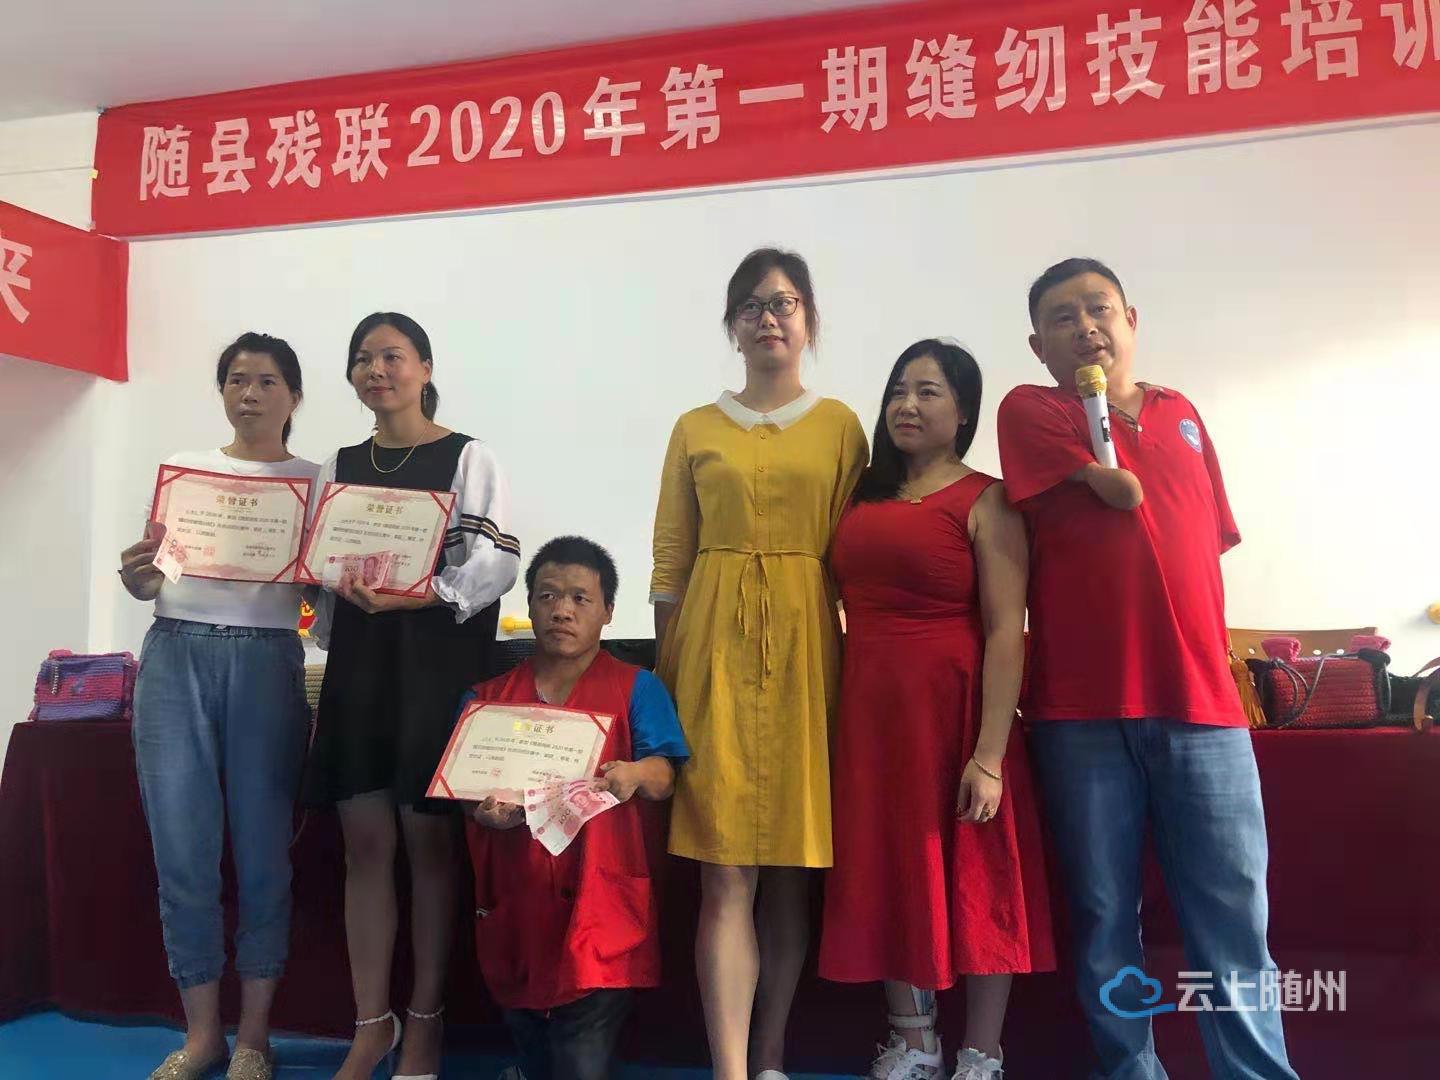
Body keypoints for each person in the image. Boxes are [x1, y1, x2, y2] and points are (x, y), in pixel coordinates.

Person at [996, 258, 1299, 1080]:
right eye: (1063, 318)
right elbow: (1117, 495)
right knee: (1104, 918)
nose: (1085, 327)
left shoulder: (1183, 414)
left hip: (1205, 707)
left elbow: (1204, 540)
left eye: (1099, 309)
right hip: (1080, 715)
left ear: (1131, 319)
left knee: (1234, 918)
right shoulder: (1032, 410)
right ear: (1038, 344)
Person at [651, 248, 868, 1080]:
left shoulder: (842, 426)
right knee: (725, 871)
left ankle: (771, 1053)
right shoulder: (695, 428)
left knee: (791, 871)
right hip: (712, 646)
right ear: (732, 327)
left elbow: (858, 556)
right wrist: (669, 680)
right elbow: (671, 563)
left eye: (784, 303)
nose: (768, 317)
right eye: (751, 305)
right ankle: (731, 1068)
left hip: (810, 651)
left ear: (809, 319)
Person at [819, 340, 1055, 1080]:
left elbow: (1005, 631)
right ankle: (913, 1040)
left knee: (979, 873)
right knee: (888, 863)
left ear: (963, 413)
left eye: (928, 392)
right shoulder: (858, 496)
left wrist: (989, 754)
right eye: (898, 390)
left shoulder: (987, 498)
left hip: (957, 712)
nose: (907, 405)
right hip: (870, 714)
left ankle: (981, 1053)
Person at [305, 312, 521, 1080]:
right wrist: (329, 581)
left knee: (430, 847)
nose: (377, 370)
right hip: (362, 666)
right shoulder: (338, 464)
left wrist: (420, 593)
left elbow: (494, 562)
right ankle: (372, 1022)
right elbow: (320, 571)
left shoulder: (467, 457)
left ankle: (426, 1019)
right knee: (364, 846)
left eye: (392, 356)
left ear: (425, 367)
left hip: (433, 664)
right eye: (363, 359)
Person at [119, 333, 320, 1080]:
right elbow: (153, 577)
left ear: (294, 396)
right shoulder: (186, 473)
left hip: (267, 659)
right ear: (222, 391)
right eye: (236, 379)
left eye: (267, 381)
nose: (250, 393)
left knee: (264, 853)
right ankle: (202, 1034)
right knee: (182, 853)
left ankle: (255, 1037)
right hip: (175, 652)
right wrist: (139, 577)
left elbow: (323, 602)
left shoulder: (317, 484)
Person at [465, 536, 689, 1080]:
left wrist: (634, 774)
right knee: (532, 1045)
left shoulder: (638, 688)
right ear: (529, 605)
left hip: (601, 910)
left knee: (580, 1061)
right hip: (517, 909)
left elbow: (665, 776)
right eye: (547, 596)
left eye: (580, 598)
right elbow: (466, 791)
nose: (562, 610)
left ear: (608, 610)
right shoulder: (486, 699)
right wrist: (481, 812)